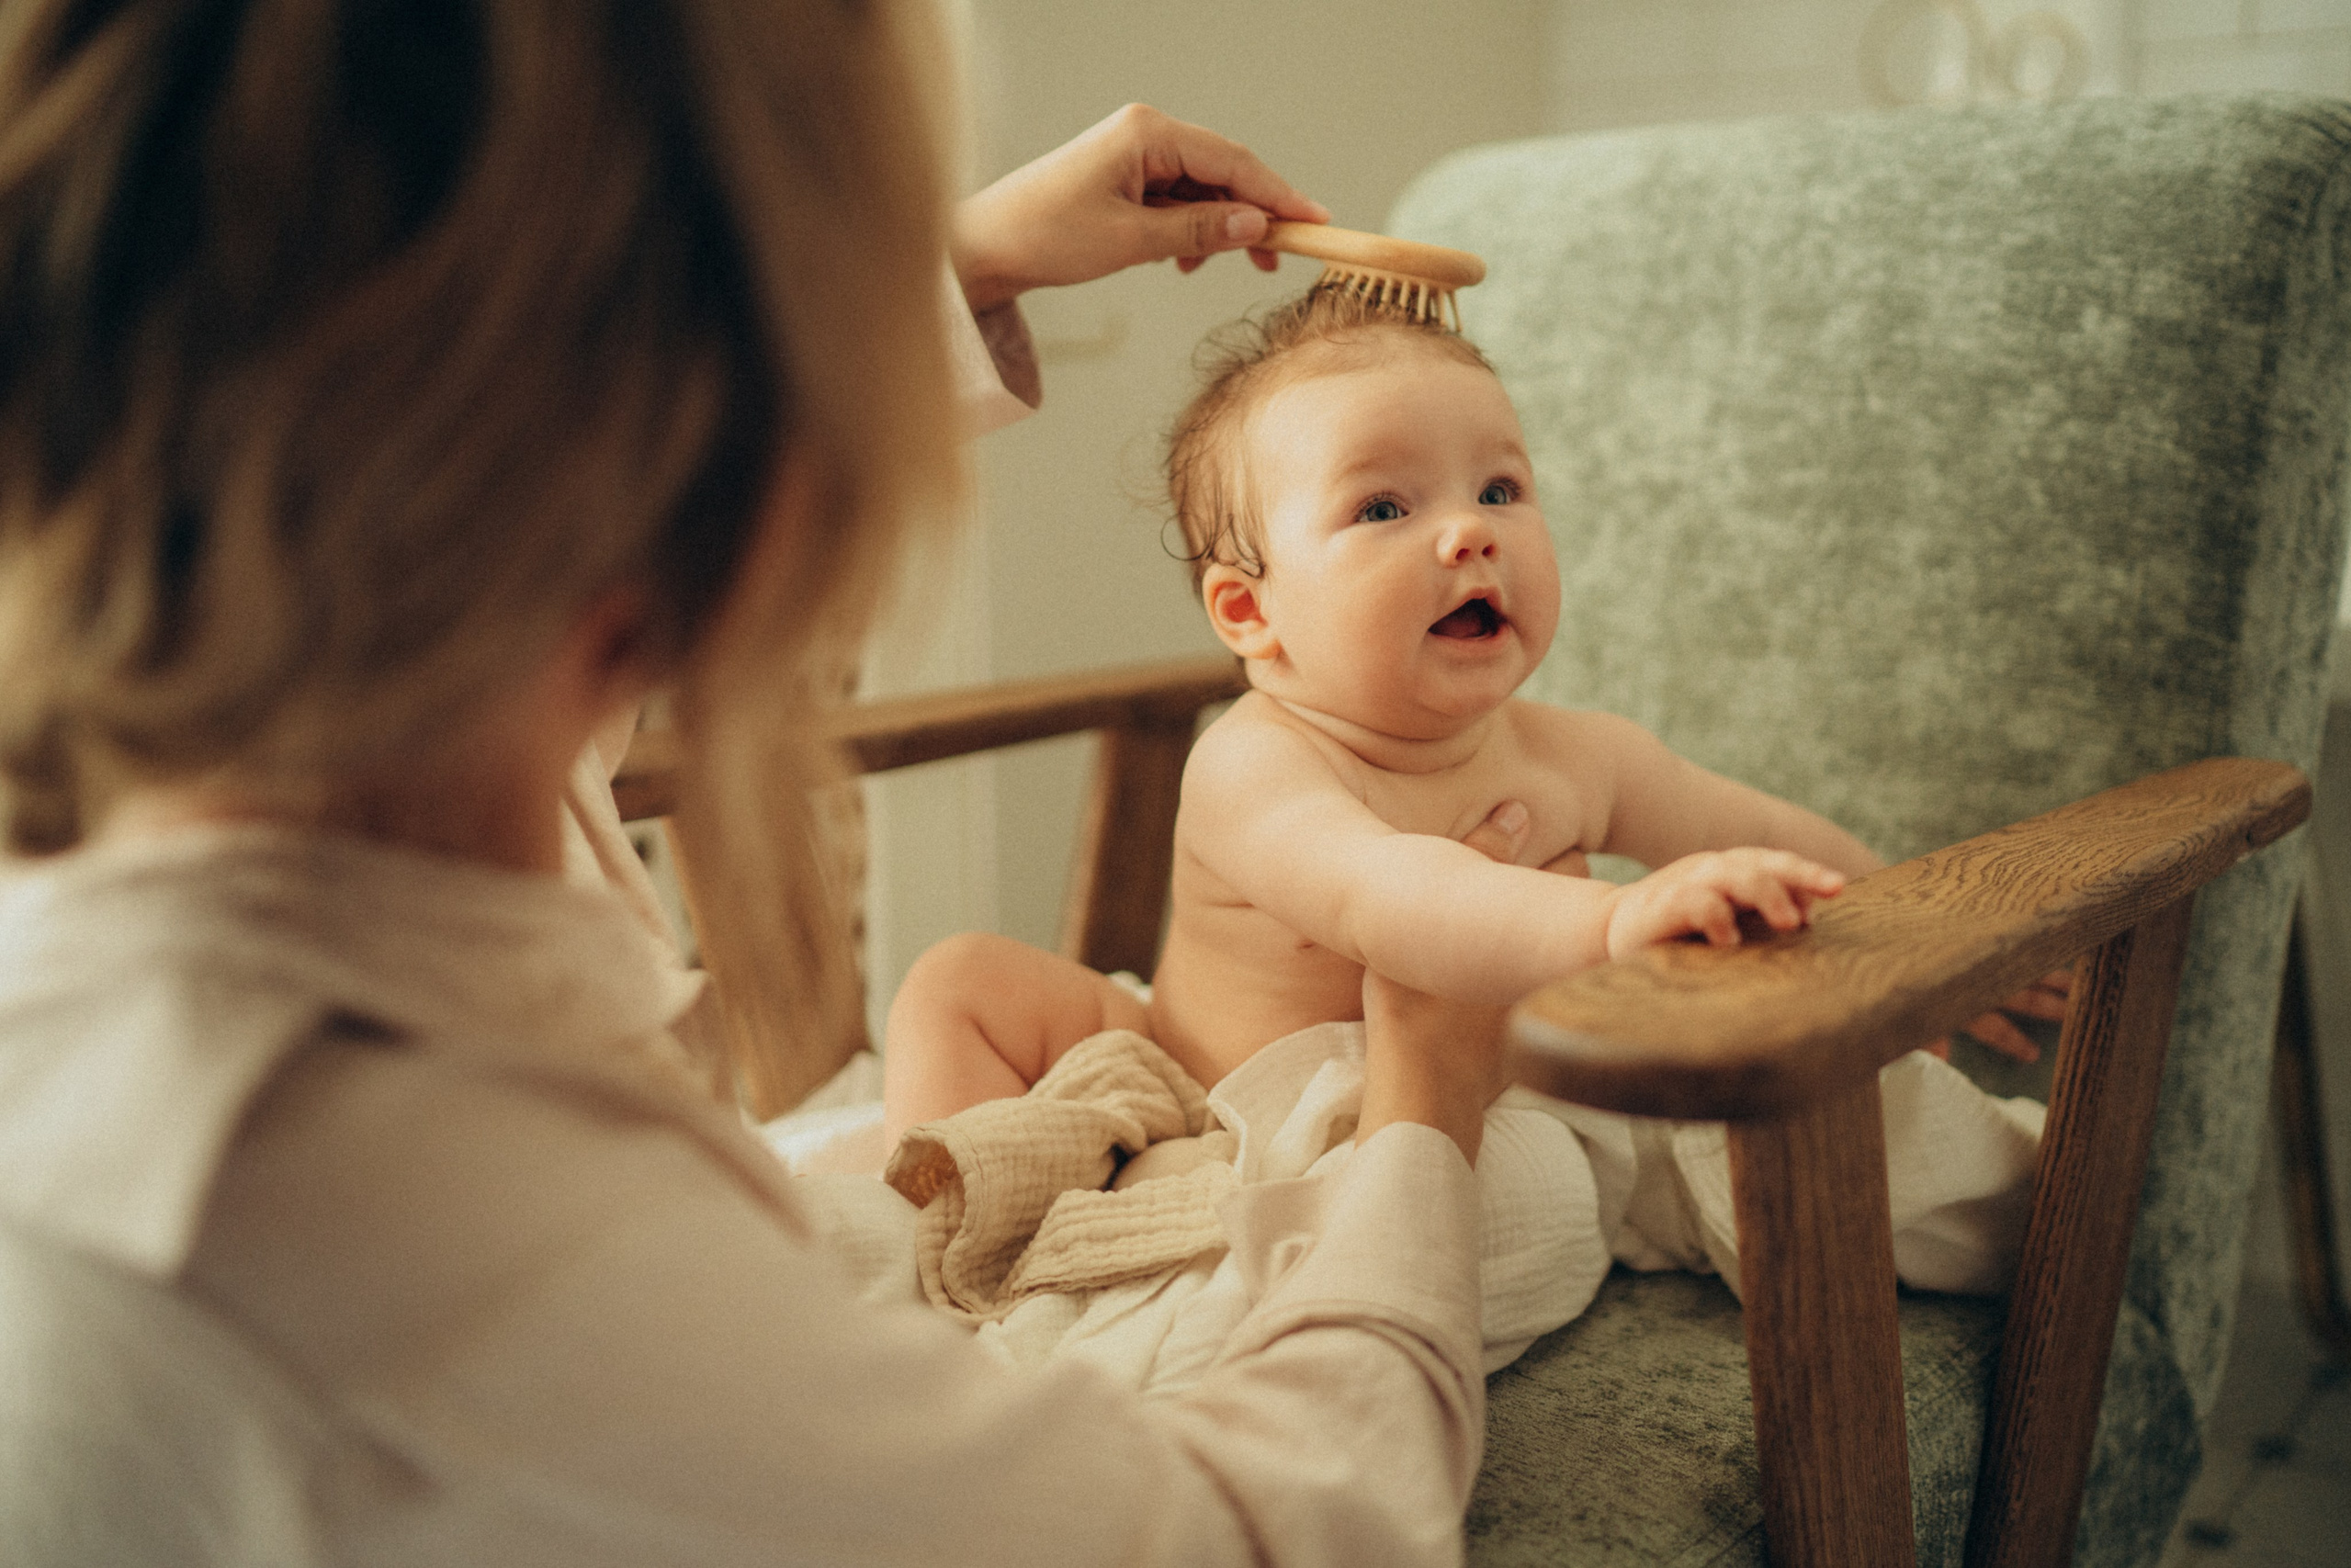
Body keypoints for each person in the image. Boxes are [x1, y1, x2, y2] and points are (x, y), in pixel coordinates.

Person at [0, 5, 1510, 1564]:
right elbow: (1291, 1529)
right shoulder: (460, 1244)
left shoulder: (201, 852)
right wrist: (1424, 1113)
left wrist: (958, 262)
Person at [883, 288, 2063, 1140]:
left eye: (1499, 487)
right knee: (956, 983)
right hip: (1205, 1088)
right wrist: (1608, 926)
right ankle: (991, 1220)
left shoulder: (1573, 751)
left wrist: (1921, 947)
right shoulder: (1256, 767)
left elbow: (1759, 833)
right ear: (1251, 613)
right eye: (1383, 506)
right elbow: (1388, 897)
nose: (1470, 530)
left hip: (1398, 1123)